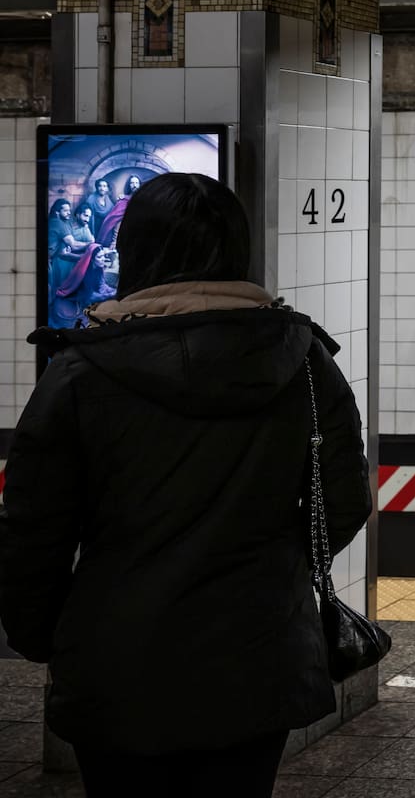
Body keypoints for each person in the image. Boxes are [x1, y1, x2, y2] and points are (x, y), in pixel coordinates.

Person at [0, 173, 372, 798]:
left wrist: (39, 632)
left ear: (137, 249)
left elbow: (34, 527)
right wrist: (274, 570)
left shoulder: (79, 372)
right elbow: (346, 499)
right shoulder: (305, 359)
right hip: (259, 651)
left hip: (118, 654)